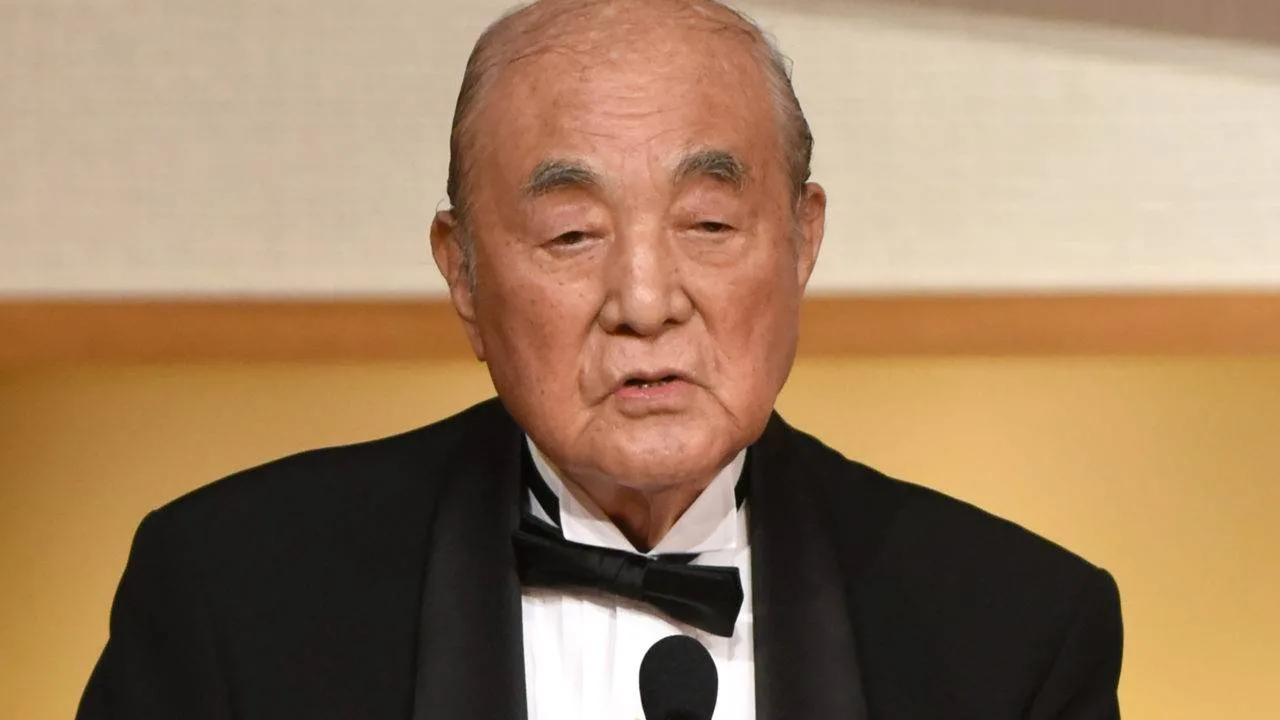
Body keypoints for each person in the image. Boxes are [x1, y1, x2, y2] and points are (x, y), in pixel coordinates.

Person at [77, 0, 1123, 718]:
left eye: (708, 223)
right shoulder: (234, 594)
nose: (644, 301)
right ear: (465, 274)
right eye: (572, 235)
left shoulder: (1013, 630)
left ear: (801, 240)